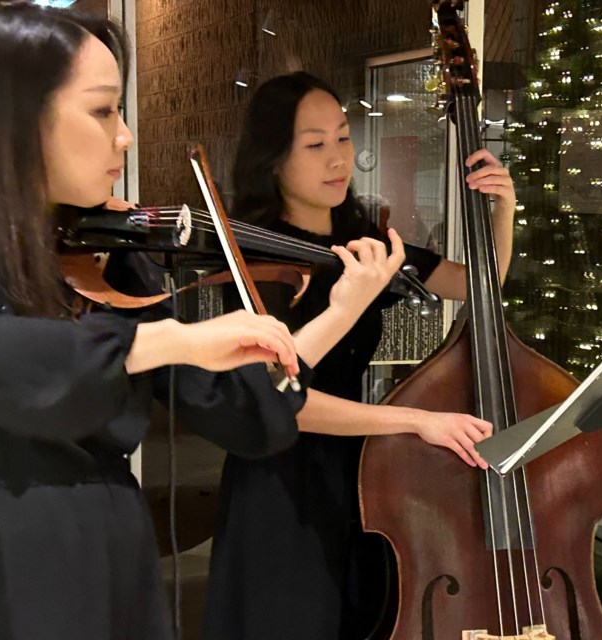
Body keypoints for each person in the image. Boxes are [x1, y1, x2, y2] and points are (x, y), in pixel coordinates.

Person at [0, 8, 405, 640]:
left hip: (120, 555)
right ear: (19, 119)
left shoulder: (108, 256)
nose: (126, 135)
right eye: (104, 110)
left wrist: (340, 311)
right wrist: (163, 338)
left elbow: (236, 409)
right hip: (6, 567)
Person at [203, 72, 517, 640]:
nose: (338, 158)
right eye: (315, 144)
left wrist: (504, 209)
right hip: (281, 482)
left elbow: (482, 284)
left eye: (344, 138)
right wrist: (415, 419)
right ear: (274, 159)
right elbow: (281, 399)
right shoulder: (255, 255)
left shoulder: (365, 241)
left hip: (361, 478)